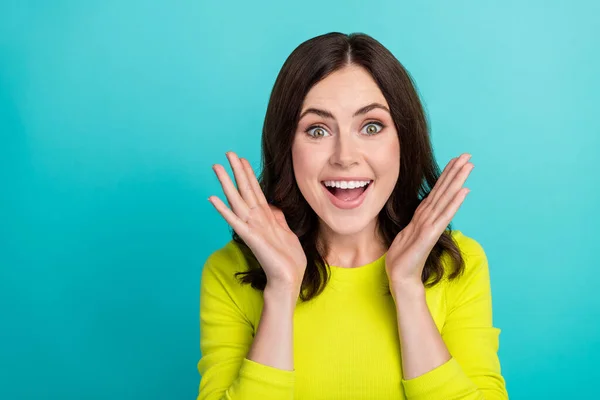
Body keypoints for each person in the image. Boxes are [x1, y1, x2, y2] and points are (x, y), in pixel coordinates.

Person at [197, 32, 508, 400]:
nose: (345, 156)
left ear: (403, 141)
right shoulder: (230, 271)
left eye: (371, 127)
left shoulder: (459, 263)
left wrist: (407, 289)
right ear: (287, 146)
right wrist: (280, 292)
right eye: (317, 129)